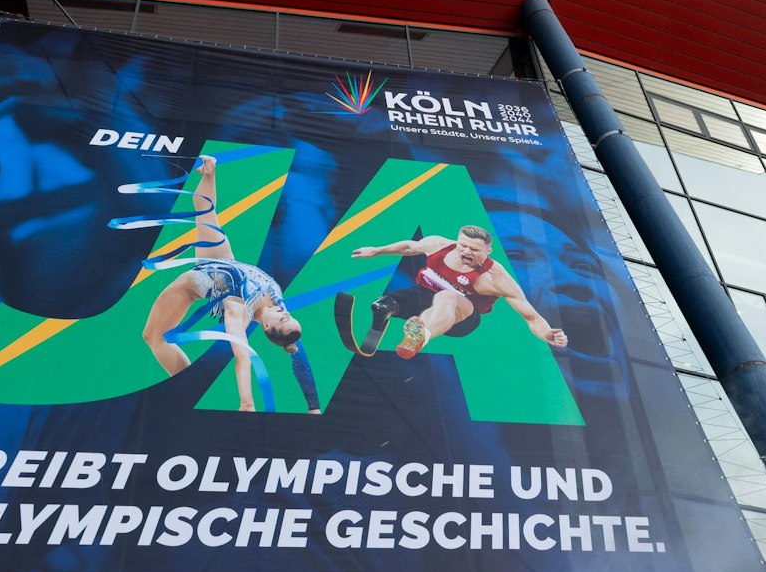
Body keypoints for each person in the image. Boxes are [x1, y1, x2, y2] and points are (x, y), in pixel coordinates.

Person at [141, 155, 309, 411]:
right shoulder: (276, 300)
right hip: (221, 259)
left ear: (266, 327)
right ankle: (209, 172)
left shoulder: (238, 312)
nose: (284, 311)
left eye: (283, 319)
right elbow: (290, 341)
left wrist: (247, 401)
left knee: (153, 336)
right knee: (204, 209)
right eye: (289, 314)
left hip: (191, 284)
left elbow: (242, 356)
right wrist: (290, 343)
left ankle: (186, 386)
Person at [349, 225, 569, 358]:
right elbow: (409, 247)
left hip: (462, 319)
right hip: (424, 298)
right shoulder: (438, 244)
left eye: (473, 249)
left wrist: (547, 334)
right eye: (461, 245)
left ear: (488, 251)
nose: (465, 251)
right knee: (383, 304)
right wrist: (377, 251)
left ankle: (420, 336)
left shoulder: (494, 278)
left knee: (447, 296)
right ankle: (382, 320)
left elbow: (531, 316)